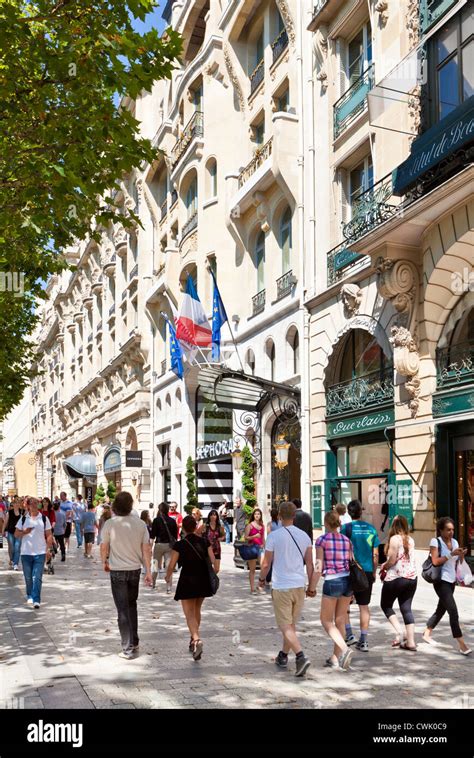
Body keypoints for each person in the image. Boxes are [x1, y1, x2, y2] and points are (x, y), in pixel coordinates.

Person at [258, 501, 315, 676]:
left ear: (280, 517)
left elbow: (266, 563)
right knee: (290, 625)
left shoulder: (274, 536)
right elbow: (310, 564)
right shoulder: (304, 536)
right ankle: (283, 655)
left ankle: (300, 656)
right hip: (299, 585)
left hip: (281, 585)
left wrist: (261, 579)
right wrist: (311, 586)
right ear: (294, 516)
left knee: (285, 625)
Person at [100, 491, 152, 659]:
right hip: (134, 570)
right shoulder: (140, 524)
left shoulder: (110, 524)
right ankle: (134, 640)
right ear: (130, 505)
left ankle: (127, 648)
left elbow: (103, 546)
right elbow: (146, 549)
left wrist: (104, 562)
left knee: (122, 609)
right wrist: (148, 571)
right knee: (132, 605)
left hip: (117, 571)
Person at [164, 515, 216, 661]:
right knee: (197, 611)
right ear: (195, 527)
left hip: (188, 580)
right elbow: (212, 560)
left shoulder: (180, 545)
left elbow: (172, 564)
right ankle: (193, 639)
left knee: (189, 614)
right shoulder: (205, 541)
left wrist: (168, 577)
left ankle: (196, 639)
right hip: (203, 580)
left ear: (183, 528)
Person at [422, 516, 471, 655]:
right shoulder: (435, 542)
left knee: (441, 609)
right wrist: (451, 554)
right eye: (448, 530)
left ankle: (426, 633)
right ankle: (461, 643)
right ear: (441, 530)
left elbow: (457, 562)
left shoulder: (455, 542)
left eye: (453, 530)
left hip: (451, 580)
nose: (451, 532)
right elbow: (436, 561)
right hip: (440, 581)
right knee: (453, 611)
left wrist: (461, 555)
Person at [312, 510, 354, 670]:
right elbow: (351, 562)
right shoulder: (346, 540)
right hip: (347, 581)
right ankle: (335, 658)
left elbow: (319, 565)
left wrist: (312, 586)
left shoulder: (322, 540)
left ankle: (344, 649)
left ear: (326, 523)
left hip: (332, 580)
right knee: (340, 620)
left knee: (326, 620)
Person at [340, 499, 380, 651]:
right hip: (367, 571)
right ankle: (363, 639)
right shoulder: (371, 529)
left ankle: (349, 633)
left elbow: (342, 551)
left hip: (349, 571)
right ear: (361, 512)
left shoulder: (345, 529)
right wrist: (374, 572)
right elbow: (375, 554)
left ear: (349, 513)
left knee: (344, 604)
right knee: (364, 606)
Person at [380, 514, 418, 651]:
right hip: (412, 578)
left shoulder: (394, 539)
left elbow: (392, 560)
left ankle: (400, 632)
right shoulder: (411, 539)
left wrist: (383, 567)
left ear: (393, 526)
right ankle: (411, 642)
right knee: (406, 609)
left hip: (396, 578)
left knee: (385, 605)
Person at [14, 497, 53, 608]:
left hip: (40, 552)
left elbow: (49, 535)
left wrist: (48, 549)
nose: (35, 505)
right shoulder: (23, 519)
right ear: (28, 505)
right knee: (28, 577)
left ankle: (36, 599)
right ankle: (29, 595)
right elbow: (16, 534)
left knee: (37, 577)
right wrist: (25, 532)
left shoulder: (44, 518)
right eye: (33, 503)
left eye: (37, 503)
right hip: (26, 553)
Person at [151, 502, 178, 591]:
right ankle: (169, 586)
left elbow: (152, 536)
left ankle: (153, 582)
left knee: (155, 564)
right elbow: (175, 536)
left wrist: (150, 547)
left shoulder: (156, 520)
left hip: (158, 545)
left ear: (160, 510)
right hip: (169, 546)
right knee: (168, 566)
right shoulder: (172, 521)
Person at [244, 508, 265, 594]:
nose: (257, 515)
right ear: (253, 515)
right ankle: (252, 588)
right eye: (255, 514)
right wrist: (254, 536)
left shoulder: (262, 525)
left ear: (260, 516)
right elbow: (245, 537)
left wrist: (264, 544)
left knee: (263, 567)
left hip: (260, 548)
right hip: (252, 548)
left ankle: (259, 585)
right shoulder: (250, 525)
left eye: (258, 514)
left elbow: (263, 537)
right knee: (252, 569)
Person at [3, 498, 23, 569]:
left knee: (17, 547)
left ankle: (15, 563)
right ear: (13, 504)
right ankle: (11, 559)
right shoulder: (10, 512)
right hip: (10, 532)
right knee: (11, 547)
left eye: (18, 503)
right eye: (15, 503)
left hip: (19, 533)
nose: (17, 504)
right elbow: (5, 522)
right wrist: (3, 530)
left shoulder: (21, 512)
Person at [204, 509, 225, 574]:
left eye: (215, 515)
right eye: (211, 515)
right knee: (208, 567)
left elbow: (223, 536)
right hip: (207, 549)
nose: (213, 516)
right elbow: (198, 534)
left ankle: (211, 578)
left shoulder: (219, 527)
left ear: (217, 517)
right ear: (209, 516)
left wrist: (221, 538)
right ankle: (209, 581)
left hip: (217, 549)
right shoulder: (205, 526)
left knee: (217, 569)